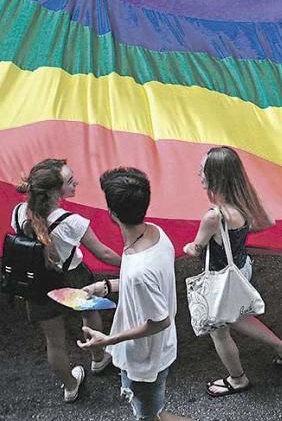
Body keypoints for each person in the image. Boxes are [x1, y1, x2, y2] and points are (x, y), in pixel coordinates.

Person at [181, 147, 282, 397]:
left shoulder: (213, 217)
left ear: (214, 177)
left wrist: (187, 246)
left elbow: (196, 249)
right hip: (240, 270)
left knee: (219, 332)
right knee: (238, 317)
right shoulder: (242, 205)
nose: (198, 174)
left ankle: (238, 379)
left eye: (203, 170)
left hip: (220, 280)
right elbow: (267, 222)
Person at [78, 168, 191, 421]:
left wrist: (108, 340)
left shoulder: (139, 269)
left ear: (112, 214)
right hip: (155, 351)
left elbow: (160, 320)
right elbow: (148, 284)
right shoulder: (155, 233)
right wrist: (106, 287)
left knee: (149, 417)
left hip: (145, 359)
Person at [10, 159, 121, 402]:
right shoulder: (71, 221)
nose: (76, 183)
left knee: (54, 342)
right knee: (90, 315)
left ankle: (70, 386)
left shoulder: (19, 212)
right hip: (74, 276)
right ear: (53, 191)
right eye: (70, 181)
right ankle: (99, 358)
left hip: (38, 285)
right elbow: (102, 253)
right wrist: (131, 264)